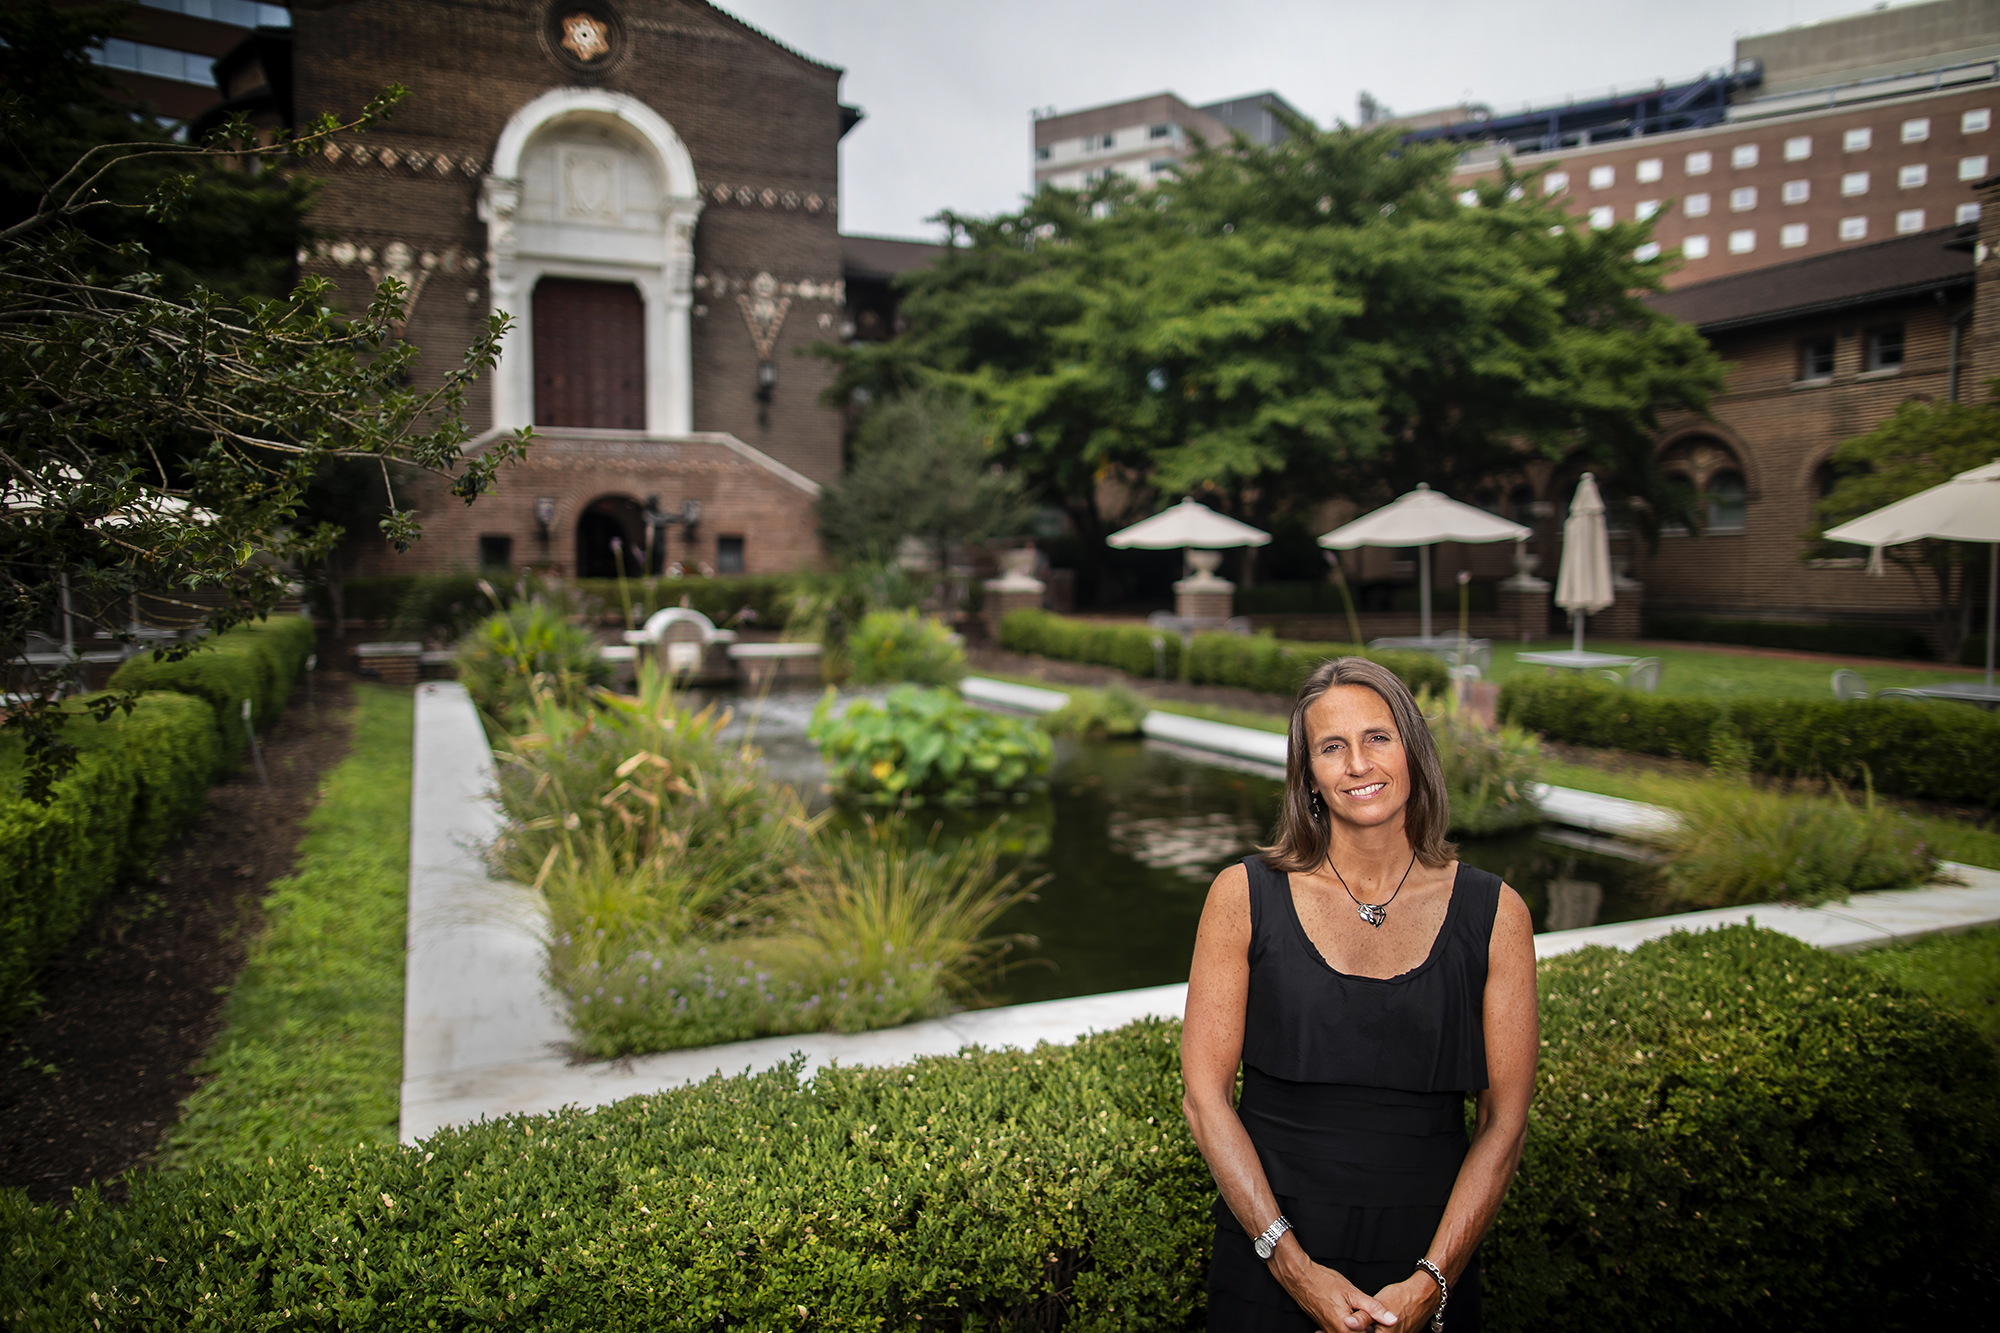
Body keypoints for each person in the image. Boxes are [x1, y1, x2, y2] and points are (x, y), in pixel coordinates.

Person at [1183, 657, 1537, 1331]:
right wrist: (1292, 1266)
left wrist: (1432, 1282)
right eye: (1331, 746)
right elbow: (1205, 1099)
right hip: (1270, 1262)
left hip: (1429, 1266)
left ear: (1413, 750)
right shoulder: (1243, 896)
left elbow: (1504, 1123)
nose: (1358, 763)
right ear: (1308, 774)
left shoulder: (1496, 912)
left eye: (1378, 736)